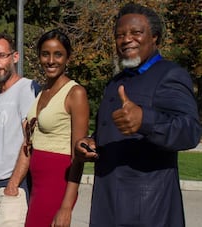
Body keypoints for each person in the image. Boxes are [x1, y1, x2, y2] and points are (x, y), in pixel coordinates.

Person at [75, 3, 202, 227]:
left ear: (154, 37)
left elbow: (190, 130)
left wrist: (146, 120)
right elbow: (116, 129)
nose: (126, 40)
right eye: (120, 35)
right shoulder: (116, 82)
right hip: (107, 206)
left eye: (136, 33)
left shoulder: (170, 74)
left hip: (148, 211)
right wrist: (92, 143)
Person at [24, 29, 89, 227]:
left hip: (57, 180)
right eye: (45, 54)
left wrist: (66, 207)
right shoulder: (43, 89)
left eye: (58, 54)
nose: (51, 60)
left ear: (68, 57)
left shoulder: (75, 93)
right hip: (36, 181)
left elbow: (78, 156)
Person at [0, 33, 40, 227]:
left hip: (12, 189)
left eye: (1, 55)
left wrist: (13, 185)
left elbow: (29, 141)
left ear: (15, 57)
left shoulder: (27, 88)